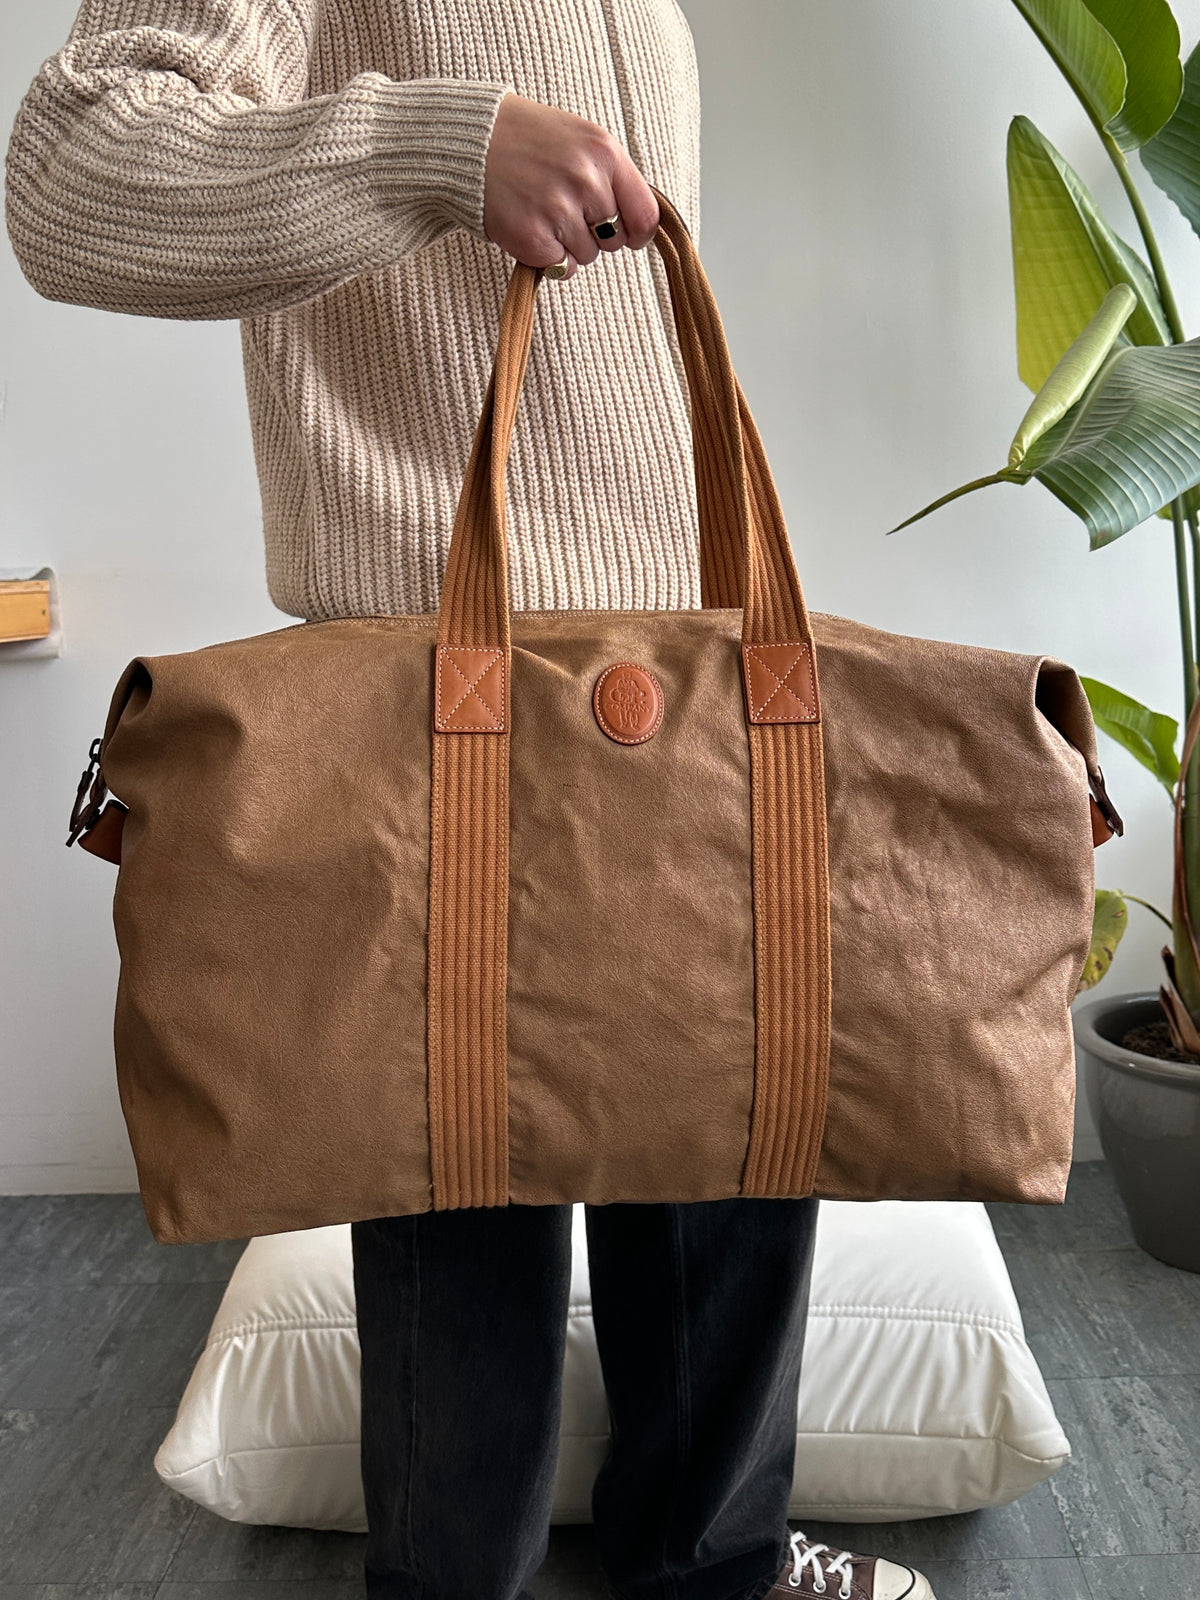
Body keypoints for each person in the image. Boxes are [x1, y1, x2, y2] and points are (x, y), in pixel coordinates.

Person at [5, 4, 936, 1598]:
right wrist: (441, 148)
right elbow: (75, 174)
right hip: (441, 665)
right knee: (461, 1164)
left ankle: (715, 1566)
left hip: (679, 654)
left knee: (725, 1126)